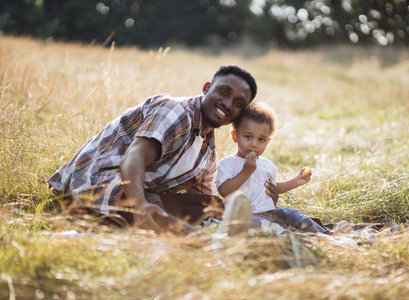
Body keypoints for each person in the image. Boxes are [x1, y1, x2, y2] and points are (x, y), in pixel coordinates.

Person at [47, 65, 268, 234]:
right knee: (152, 203)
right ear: (207, 88)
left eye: (239, 103)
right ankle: (204, 242)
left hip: (139, 194)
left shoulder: (207, 151)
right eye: (223, 92)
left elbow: (205, 198)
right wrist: (141, 205)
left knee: (213, 205)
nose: (228, 104)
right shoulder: (176, 111)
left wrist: (250, 202)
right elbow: (133, 159)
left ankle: (237, 233)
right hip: (93, 183)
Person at [216, 103, 332, 235]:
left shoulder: (267, 165)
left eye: (261, 139)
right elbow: (224, 190)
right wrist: (246, 172)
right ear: (235, 136)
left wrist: (295, 181)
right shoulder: (228, 163)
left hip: (269, 212)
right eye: (248, 137)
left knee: (294, 215)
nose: (254, 144)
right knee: (261, 227)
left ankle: (323, 233)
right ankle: (276, 233)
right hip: (243, 216)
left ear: (267, 142)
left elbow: (271, 188)